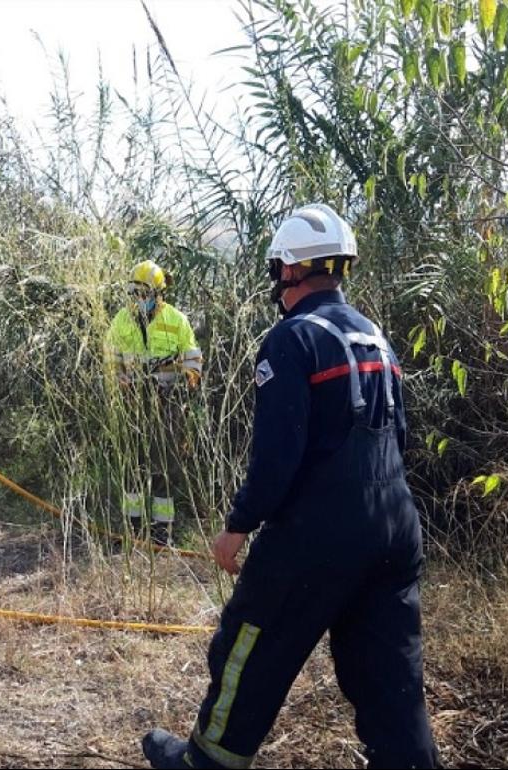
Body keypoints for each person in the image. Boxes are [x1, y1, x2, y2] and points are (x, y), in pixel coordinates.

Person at [142, 204, 439, 768]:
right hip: (396, 528)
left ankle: (205, 762)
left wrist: (238, 525)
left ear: (290, 272)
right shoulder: (376, 338)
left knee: (248, 647)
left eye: (278, 269)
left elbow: (277, 457)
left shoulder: (291, 340)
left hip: (317, 534)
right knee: (391, 677)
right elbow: (398, 437)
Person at [105, 259, 203, 546]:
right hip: (133, 402)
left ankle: (162, 531)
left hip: (167, 403)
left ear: (159, 294)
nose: (139, 300)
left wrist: (186, 380)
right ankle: (132, 528)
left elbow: (193, 358)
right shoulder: (121, 320)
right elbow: (110, 357)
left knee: (166, 466)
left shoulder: (176, 320)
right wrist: (119, 378)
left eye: (144, 294)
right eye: (134, 294)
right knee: (132, 464)